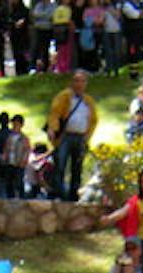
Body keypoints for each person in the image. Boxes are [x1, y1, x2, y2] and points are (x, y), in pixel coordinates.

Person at [47, 70, 98, 201]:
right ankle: (58, 193)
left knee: (77, 167)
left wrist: (87, 136)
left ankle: (73, 194)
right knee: (60, 164)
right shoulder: (64, 96)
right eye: (76, 80)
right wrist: (52, 129)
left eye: (82, 81)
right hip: (66, 136)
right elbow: (55, 113)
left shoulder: (89, 101)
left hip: (81, 137)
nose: (79, 84)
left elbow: (93, 120)